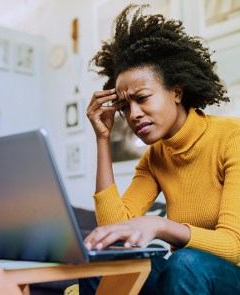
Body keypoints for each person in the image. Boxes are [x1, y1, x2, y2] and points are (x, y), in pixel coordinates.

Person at [80, 4, 240, 295]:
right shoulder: (154, 159)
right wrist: (102, 140)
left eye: (142, 98)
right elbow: (115, 230)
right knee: (106, 263)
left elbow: (233, 247)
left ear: (176, 92)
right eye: (126, 107)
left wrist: (160, 226)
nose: (134, 114)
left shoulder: (232, 138)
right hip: (189, 272)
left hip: (229, 273)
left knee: (185, 262)